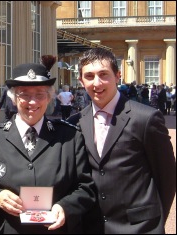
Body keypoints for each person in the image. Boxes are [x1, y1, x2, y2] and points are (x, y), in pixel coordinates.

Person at [0, 57, 97, 234]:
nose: (32, 102)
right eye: (24, 94)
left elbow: (86, 187)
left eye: (40, 94)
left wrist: (65, 208)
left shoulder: (70, 137)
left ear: (49, 98)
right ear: (14, 98)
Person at [67, 48, 176, 234]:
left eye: (103, 74)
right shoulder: (75, 123)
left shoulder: (146, 118)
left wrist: (155, 223)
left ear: (118, 76)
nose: (97, 83)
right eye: (89, 76)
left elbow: (166, 178)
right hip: (92, 227)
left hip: (139, 227)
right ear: (81, 81)